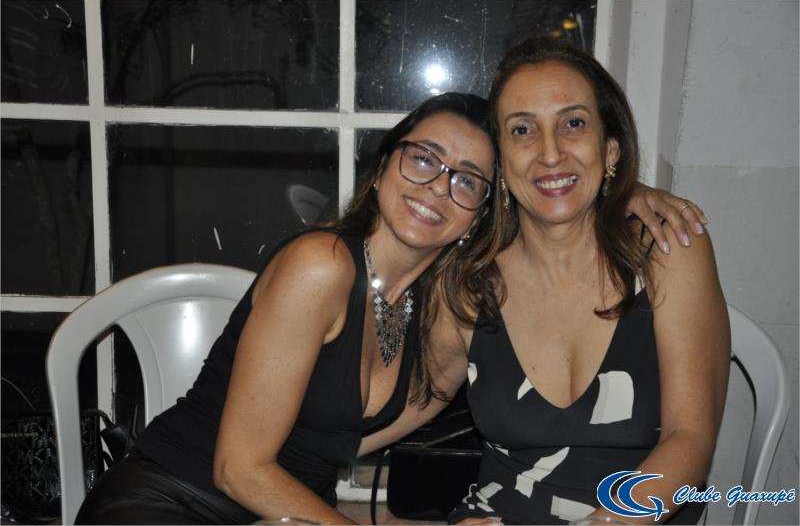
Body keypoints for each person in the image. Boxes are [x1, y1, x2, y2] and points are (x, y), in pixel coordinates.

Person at [75, 91, 702, 525]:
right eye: (423, 158)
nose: (437, 187)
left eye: (467, 179)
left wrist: (618, 194)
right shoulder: (320, 265)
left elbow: (548, 218)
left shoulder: (442, 308)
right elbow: (238, 468)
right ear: (383, 167)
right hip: (171, 502)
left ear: (479, 214)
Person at [439, 38, 730, 525]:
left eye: (572, 123)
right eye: (523, 130)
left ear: (610, 147)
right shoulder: (471, 283)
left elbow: (692, 440)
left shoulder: (668, 250)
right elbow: (389, 406)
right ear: (502, 162)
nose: (550, 152)